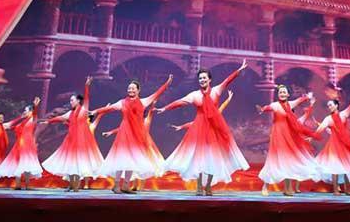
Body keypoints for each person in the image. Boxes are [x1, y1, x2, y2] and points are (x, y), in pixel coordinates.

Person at [156, 60, 250, 196]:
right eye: (200, 78)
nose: (202, 80)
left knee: (213, 157)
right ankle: (199, 186)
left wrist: (239, 70)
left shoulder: (216, 91)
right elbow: (180, 102)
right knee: (199, 158)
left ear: (209, 79)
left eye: (204, 78)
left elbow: (227, 81)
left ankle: (208, 186)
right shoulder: (195, 95)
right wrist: (165, 108)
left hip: (214, 127)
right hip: (199, 128)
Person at [91, 75, 173, 194]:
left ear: (138, 90)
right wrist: (95, 111)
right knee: (121, 158)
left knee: (131, 159)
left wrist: (167, 83)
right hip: (125, 133)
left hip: (137, 134)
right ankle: (116, 185)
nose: (130, 90)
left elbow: (157, 94)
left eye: (133, 88)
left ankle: (125, 185)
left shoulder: (144, 102)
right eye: (129, 88)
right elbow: (109, 109)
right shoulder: (122, 102)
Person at [41, 76, 104, 192]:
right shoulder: (70, 113)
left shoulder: (84, 110)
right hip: (70, 141)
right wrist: (49, 121)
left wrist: (87, 86)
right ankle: (71, 184)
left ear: (78, 101)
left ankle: (76, 186)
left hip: (81, 141)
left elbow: (87, 98)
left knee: (79, 162)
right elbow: (59, 118)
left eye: (72, 100)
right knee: (70, 162)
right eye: (70, 100)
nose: (70, 102)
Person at [256, 87, 319, 196]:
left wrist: (308, 97)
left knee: (288, 161)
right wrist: (262, 109)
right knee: (273, 160)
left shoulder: (290, 104)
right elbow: (268, 107)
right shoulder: (276, 105)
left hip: (288, 137)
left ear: (288, 95)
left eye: (284, 92)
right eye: (280, 92)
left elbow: (300, 100)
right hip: (278, 136)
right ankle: (265, 186)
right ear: (278, 94)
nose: (282, 93)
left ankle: (287, 189)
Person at [314, 83, 350, 195]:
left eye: (331, 105)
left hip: (345, 145)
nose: (329, 107)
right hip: (334, 146)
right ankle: (335, 190)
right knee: (334, 167)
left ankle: (347, 190)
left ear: (336, 105)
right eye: (328, 106)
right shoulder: (328, 119)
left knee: (347, 167)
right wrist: (311, 137)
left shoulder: (344, 114)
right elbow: (319, 129)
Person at [0, 97, 43, 190]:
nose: (24, 112)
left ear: (31, 112)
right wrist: (18, 119)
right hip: (19, 144)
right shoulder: (23, 122)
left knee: (27, 164)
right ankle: (18, 185)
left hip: (28, 145)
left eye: (26, 110)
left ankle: (27, 185)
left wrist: (35, 106)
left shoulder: (33, 119)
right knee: (17, 163)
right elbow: (12, 126)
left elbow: (35, 113)